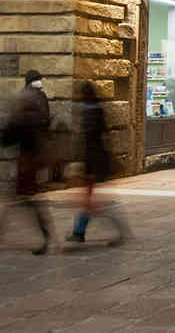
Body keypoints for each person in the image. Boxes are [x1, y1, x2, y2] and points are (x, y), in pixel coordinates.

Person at [66, 82, 128, 245]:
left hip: (92, 162)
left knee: (91, 202)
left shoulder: (88, 112)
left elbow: (88, 141)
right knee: (89, 200)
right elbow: (103, 136)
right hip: (97, 160)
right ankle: (79, 232)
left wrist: (84, 166)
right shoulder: (97, 109)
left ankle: (115, 230)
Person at [2, 70, 52, 255]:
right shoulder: (41, 99)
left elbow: (11, 131)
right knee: (20, 197)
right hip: (35, 156)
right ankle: (46, 235)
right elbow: (46, 124)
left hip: (26, 158)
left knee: (21, 198)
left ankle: (46, 236)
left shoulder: (23, 101)